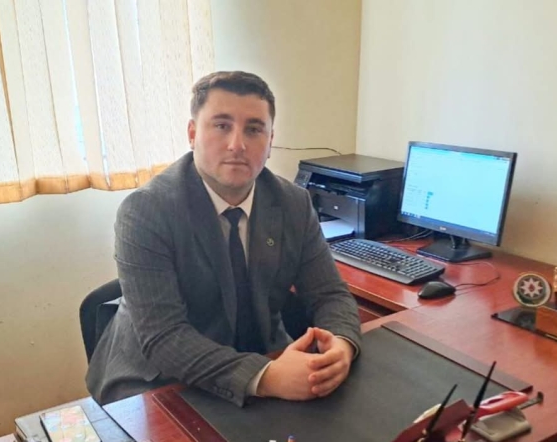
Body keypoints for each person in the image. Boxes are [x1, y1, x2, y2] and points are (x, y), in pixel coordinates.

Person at [86, 71, 361, 406]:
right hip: (160, 380)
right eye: (221, 125)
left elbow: (329, 294)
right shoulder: (145, 211)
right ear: (192, 134)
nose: (237, 145)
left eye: (254, 129)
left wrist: (342, 344)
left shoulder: (294, 203)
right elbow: (164, 337)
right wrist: (266, 377)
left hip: (263, 357)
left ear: (270, 141)